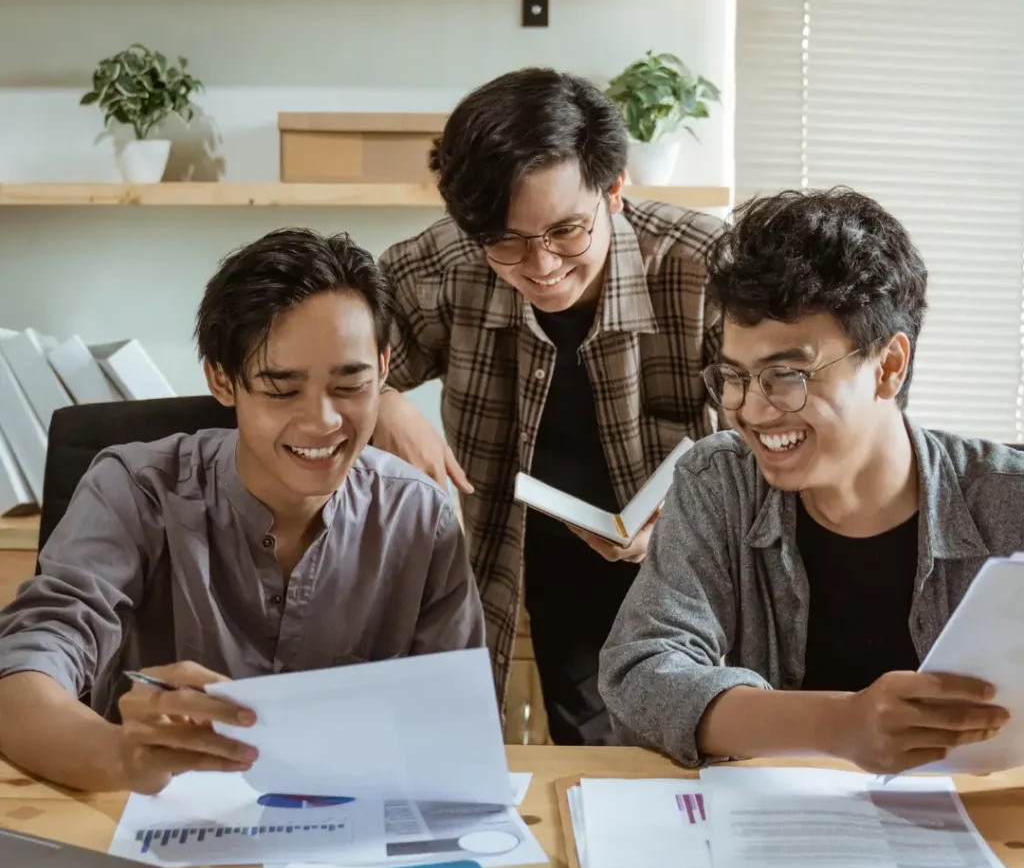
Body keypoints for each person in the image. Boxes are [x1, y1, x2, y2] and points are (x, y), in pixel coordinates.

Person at [0, 228, 484, 794]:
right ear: (221, 379)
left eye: (350, 384)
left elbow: (458, 727)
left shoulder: (419, 518)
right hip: (154, 829)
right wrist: (120, 756)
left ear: (382, 367)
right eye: (282, 390)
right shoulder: (134, 490)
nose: (323, 421)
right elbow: (20, 676)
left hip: (356, 838)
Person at [599, 188, 1019, 775]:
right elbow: (639, 673)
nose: (752, 411)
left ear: (889, 367)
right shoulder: (721, 481)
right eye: (735, 377)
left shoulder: (1008, 502)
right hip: (785, 832)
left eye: (787, 375)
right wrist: (836, 726)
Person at [374, 67, 722, 745]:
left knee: (688, 741)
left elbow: (771, 441)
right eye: (505, 240)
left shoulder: (704, 265)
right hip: (533, 550)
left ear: (616, 189)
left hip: (685, 557)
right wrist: (380, 400)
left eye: (566, 231)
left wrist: (683, 522)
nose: (540, 265)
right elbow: (328, 366)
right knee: (583, 745)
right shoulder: (446, 265)